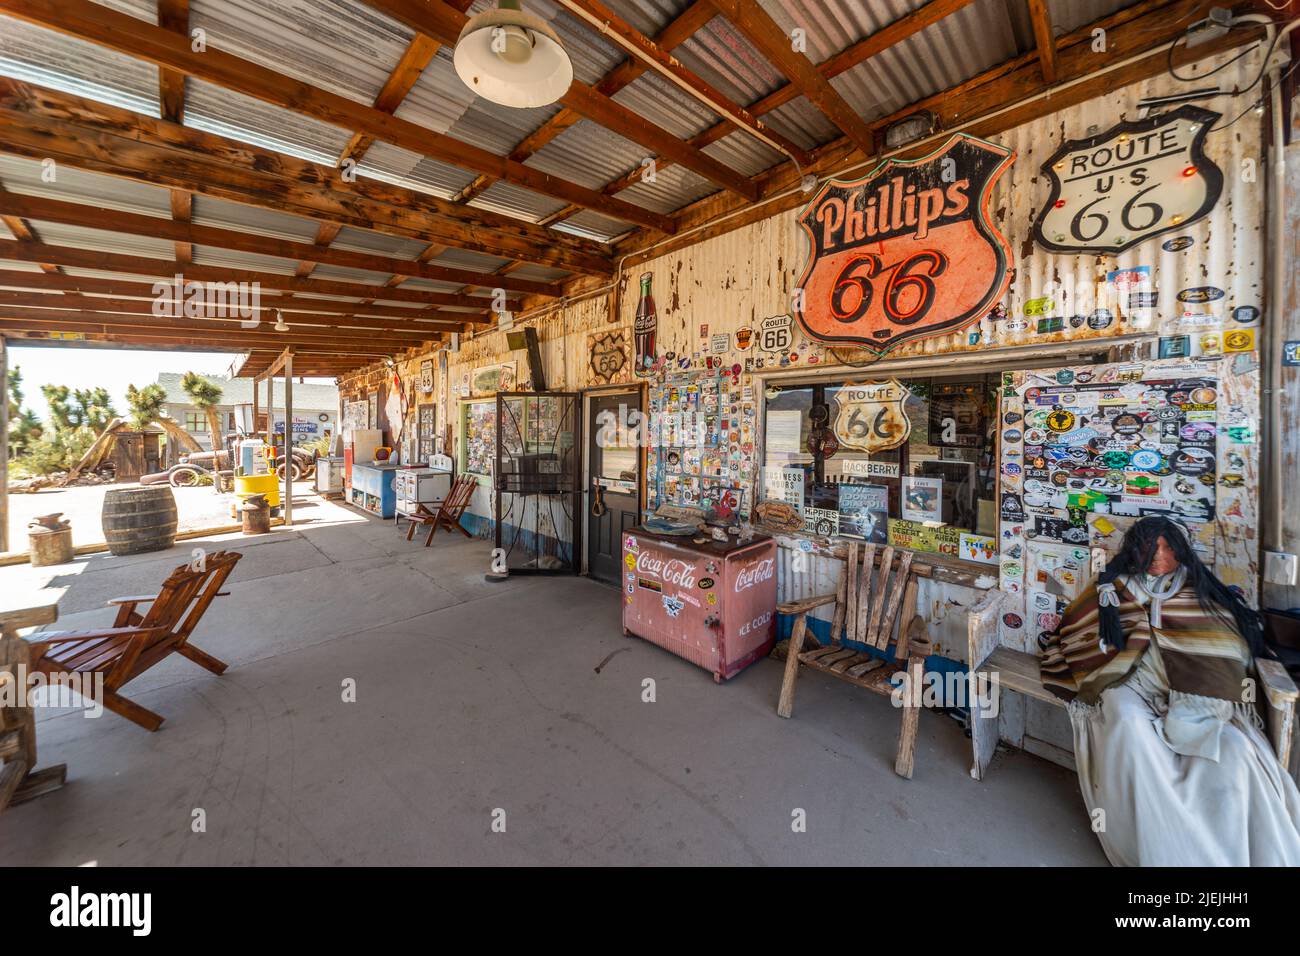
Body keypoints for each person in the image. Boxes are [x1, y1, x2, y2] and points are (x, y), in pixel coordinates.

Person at [1037, 516, 1300, 866]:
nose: (1160, 554)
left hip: (1192, 691)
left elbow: (1225, 645)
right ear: (1135, 551)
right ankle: (1149, 840)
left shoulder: (1200, 590)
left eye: (1167, 545)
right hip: (1130, 682)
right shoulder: (1113, 588)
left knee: (1234, 752)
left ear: (1180, 549)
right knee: (1127, 726)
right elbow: (1076, 633)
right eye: (1151, 547)